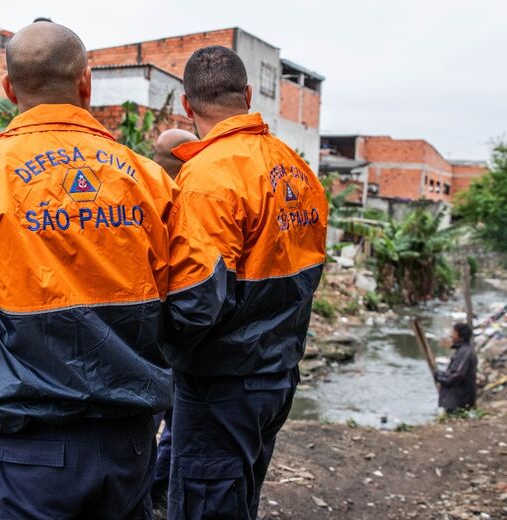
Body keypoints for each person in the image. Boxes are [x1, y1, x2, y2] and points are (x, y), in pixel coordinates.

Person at [0, 22, 226, 520]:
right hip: (129, 441)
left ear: (9, 89)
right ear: (86, 83)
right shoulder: (151, 180)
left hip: (27, 446)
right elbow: (199, 298)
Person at [164, 45, 328, 520]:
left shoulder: (208, 177)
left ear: (186, 105)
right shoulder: (297, 170)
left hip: (222, 382)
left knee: (207, 504)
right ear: (250, 95)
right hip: (278, 375)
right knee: (241, 498)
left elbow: (195, 304)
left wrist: (158, 351)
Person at [149, 128, 198, 513]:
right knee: (174, 422)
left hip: (144, 340)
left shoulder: (134, 192)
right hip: (173, 341)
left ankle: (152, 486)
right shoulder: (186, 205)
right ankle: (158, 488)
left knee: (149, 424)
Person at [435, 322, 478, 413]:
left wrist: (440, 377)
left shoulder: (464, 352)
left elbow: (457, 375)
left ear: (461, 336)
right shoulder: (462, 351)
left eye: (454, 333)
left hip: (459, 402)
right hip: (456, 400)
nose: (451, 335)